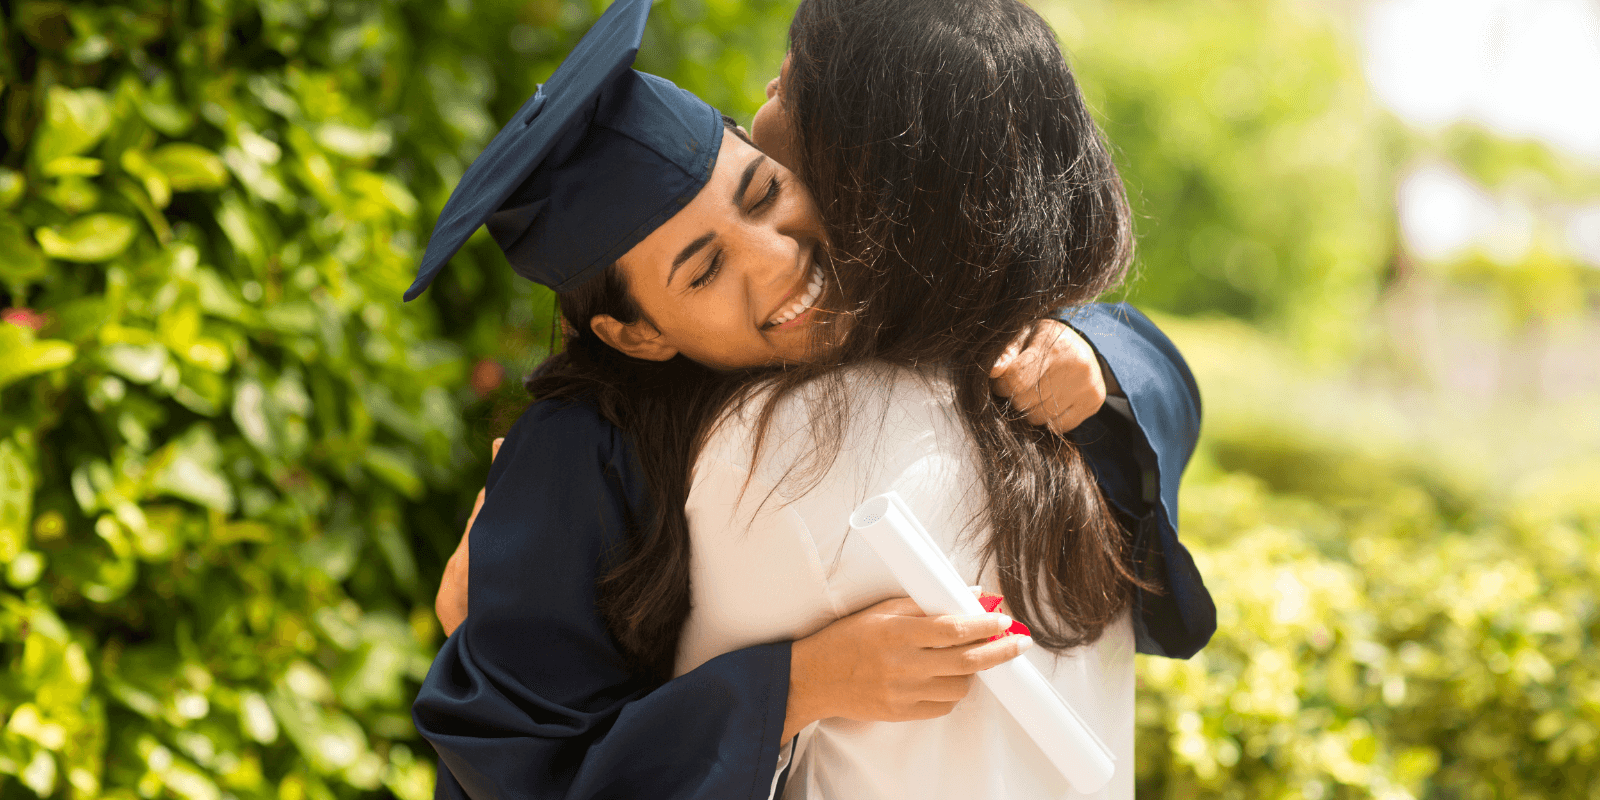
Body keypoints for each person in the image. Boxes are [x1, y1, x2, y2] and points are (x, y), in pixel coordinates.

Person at [409, 1, 1208, 798]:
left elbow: (1133, 353)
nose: (779, 258)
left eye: (762, 192)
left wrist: (1092, 357)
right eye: (703, 271)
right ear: (636, 335)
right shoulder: (576, 453)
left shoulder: (881, 303)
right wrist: (794, 686)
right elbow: (527, 769)